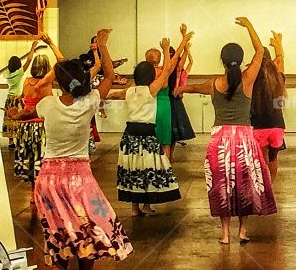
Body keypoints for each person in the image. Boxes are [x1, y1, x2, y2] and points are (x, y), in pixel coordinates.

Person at [14, 29, 132, 270]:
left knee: (56, 233)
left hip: (49, 179)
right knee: (87, 229)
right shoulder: (89, 103)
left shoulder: (47, 105)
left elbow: (29, 112)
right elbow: (111, 77)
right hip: (79, 177)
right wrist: (102, 46)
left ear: (60, 83)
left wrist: (19, 114)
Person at [176, 17, 277, 244]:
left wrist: (182, 88)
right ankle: (242, 230)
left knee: (222, 186)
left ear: (222, 60)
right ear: (241, 61)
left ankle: (224, 233)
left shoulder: (213, 84)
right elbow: (260, 51)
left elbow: (193, 88)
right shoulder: (248, 80)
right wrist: (250, 25)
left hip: (219, 140)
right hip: (244, 139)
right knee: (244, 185)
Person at [111, 30, 192, 215]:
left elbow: (116, 94)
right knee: (148, 167)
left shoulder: (131, 90)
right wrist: (167, 49)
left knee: (133, 168)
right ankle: (147, 204)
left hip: (129, 134)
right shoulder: (151, 90)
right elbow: (167, 72)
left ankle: (134, 207)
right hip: (146, 134)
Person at [11, 33, 64, 192]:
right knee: (42, 160)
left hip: (24, 129)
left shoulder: (27, 81)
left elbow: (22, 98)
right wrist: (51, 43)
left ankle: (34, 193)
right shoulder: (44, 82)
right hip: (40, 127)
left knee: (30, 160)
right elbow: (62, 62)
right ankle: (41, 192)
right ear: (47, 68)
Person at [250, 30, 287, 181]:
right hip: (277, 124)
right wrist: (278, 44)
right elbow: (281, 60)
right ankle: (270, 186)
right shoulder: (278, 78)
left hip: (258, 125)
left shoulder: (251, 78)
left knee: (262, 158)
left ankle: (263, 185)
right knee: (273, 158)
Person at [165, 23, 196, 161]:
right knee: (171, 132)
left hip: (170, 100)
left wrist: (184, 38)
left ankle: (168, 156)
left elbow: (182, 57)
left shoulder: (167, 69)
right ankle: (169, 156)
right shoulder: (174, 70)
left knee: (169, 133)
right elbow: (181, 56)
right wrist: (184, 36)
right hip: (173, 101)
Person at [1, 40, 39, 137]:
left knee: (9, 118)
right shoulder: (19, 73)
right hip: (17, 98)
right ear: (18, 65)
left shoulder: (7, 74)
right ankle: (18, 137)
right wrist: (33, 47)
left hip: (9, 98)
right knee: (19, 117)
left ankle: (10, 140)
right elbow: (29, 60)